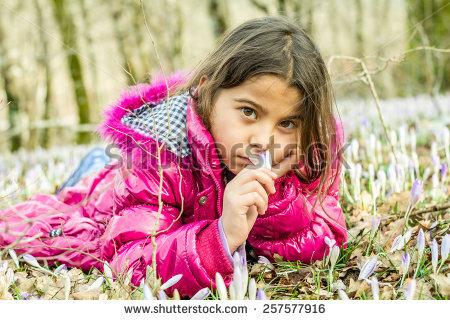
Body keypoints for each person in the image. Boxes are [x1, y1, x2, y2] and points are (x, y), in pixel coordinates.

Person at [0, 16, 347, 299]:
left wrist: (273, 207)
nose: (264, 141)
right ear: (209, 92)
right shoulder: (162, 161)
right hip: (111, 186)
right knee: (86, 185)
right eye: (249, 112)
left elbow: (328, 232)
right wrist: (222, 235)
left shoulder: (304, 158)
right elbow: (131, 259)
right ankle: (92, 164)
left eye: (286, 123)